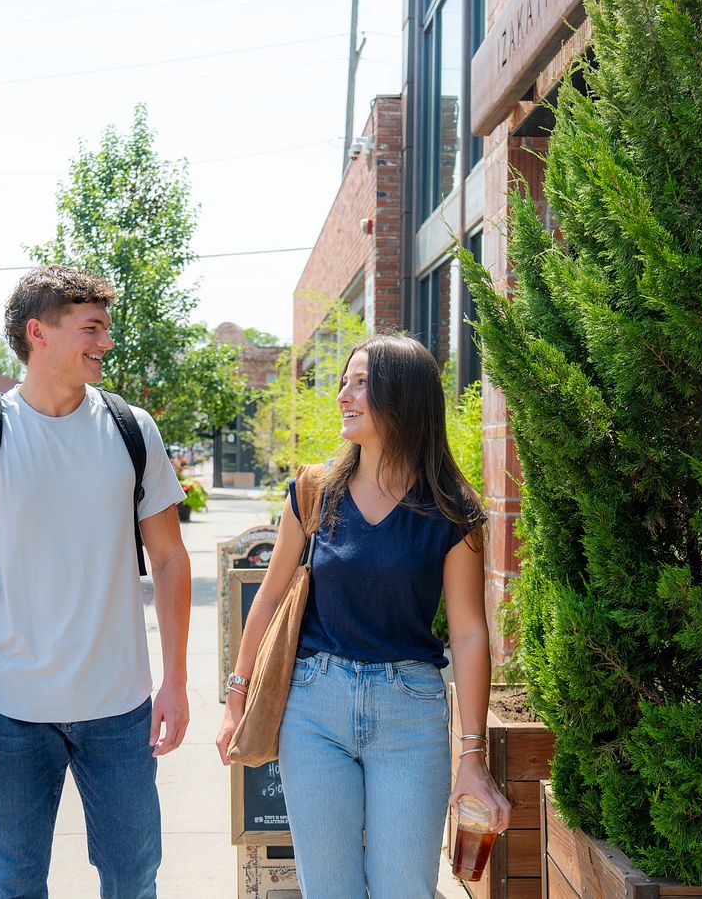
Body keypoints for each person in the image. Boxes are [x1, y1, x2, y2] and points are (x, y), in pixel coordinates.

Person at [0, 265, 192, 899]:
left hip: (119, 706)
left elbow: (171, 558)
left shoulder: (133, 430)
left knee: (133, 879)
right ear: (38, 332)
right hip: (8, 709)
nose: (105, 342)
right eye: (92, 328)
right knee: (14, 884)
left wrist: (176, 681)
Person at [215, 332, 511, 898]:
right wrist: (237, 697)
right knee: (330, 891)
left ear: (403, 396)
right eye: (343, 383)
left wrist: (471, 754)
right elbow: (272, 597)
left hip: (411, 714)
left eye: (360, 384)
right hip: (313, 709)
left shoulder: (451, 509)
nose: (343, 396)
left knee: (404, 889)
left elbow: (470, 633)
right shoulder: (314, 491)